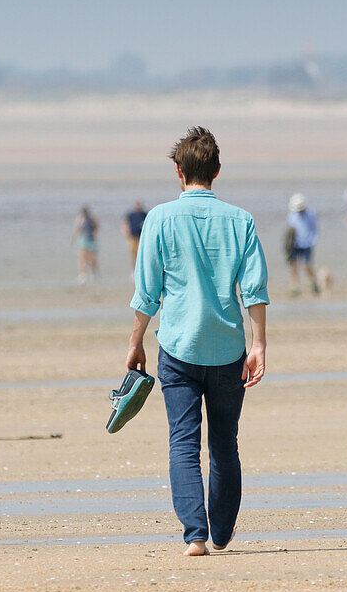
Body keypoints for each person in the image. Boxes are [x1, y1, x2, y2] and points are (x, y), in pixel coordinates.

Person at [125, 127, 269, 557]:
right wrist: (259, 344)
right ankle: (222, 531)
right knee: (225, 442)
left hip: (177, 347)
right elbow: (255, 289)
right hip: (228, 348)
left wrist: (135, 343)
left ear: (178, 171)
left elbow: (146, 292)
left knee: (182, 441)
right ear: (217, 171)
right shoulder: (240, 220)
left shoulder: (159, 219)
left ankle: (196, 536)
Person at [285, 193, 320, 296]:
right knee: (294, 266)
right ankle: (295, 288)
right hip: (295, 245)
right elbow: (290, 231)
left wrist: (313, 240)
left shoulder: (311, 214)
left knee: (307, 266)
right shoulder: (291, 215)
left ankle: (314, 283)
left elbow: (315, 229)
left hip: (307, 244)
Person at [72, 205, 99, 284]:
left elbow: (97, 228)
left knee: (92, 258)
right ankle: (83, 275)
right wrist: (74, 239)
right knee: (82, 258)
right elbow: (77, 229)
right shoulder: (80, 219)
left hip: (90, 238)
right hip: (83, 238)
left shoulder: (92, 219)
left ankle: (93, 274)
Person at [122, 200, 148, 270]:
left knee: (141, 254)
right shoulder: (131, 214)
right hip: (133, 236)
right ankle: (134, 270)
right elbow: (126, 223)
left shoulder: (144, 214)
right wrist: (126, 232)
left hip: (141, 237)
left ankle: (141, 269)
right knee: (134, 254)